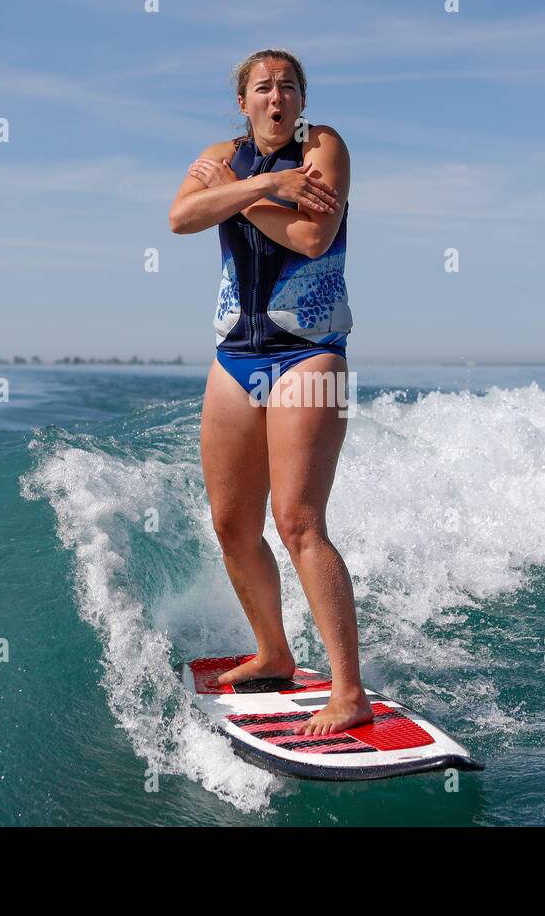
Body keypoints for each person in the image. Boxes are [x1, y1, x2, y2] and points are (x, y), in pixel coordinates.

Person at [168, 49, 373, 736]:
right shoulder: (219, 152)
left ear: (302, 98)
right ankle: (275, 651)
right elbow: (179, 218)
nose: (276, 96)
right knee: (231, 524)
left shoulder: (326, 148)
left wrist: (239, 191)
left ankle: (349, 691)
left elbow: (313, 237)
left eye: (288, 85)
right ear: (244, 102)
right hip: (236, 357)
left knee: (298, 521)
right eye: (263, 87)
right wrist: (268, 188)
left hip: (311, 353)